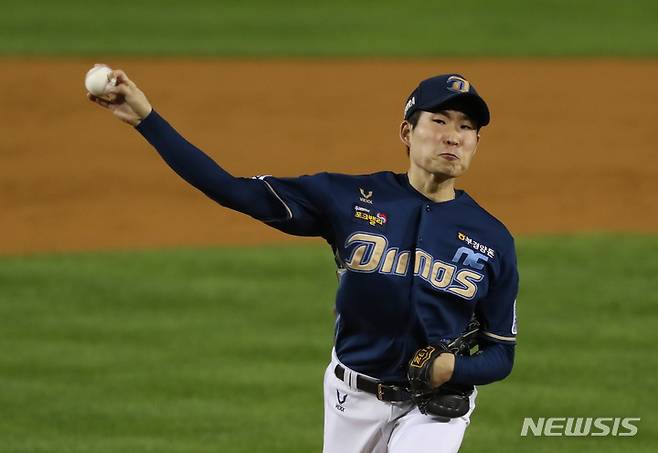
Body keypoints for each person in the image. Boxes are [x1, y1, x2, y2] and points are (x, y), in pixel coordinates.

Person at [88, 70, 519, 453]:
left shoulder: (493, 239)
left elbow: (501, 353)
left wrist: (455, 368)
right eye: (439, 121)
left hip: (435, 410)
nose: (453, 136)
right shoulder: (347, 198)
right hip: (351, 399)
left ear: (476, 142)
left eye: (467, 127)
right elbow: (231, 190)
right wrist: (147, 120)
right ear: (407, 132)